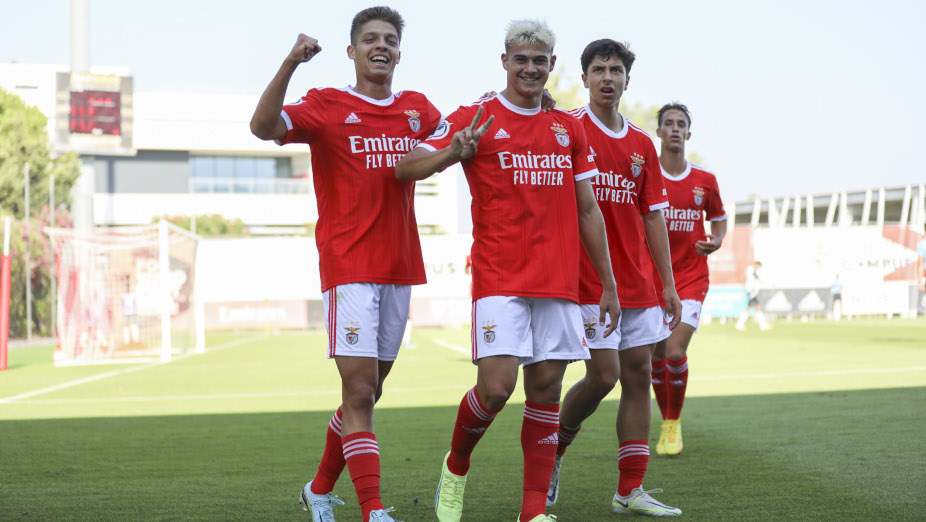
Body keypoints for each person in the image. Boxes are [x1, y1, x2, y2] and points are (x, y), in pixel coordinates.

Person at [396, 19, 619, 522]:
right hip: (500, 278)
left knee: (545, 390)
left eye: (540, 61)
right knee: (496, 388)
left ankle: (532, 511)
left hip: (559, 281)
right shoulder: (477, 115)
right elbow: (405, 166)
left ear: (552, 67)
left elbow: (588, 210)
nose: (531, 69)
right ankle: (455, 469)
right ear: (505, 62)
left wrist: (606, 281)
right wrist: (456, 151)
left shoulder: (569, 128)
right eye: (521, 59)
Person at [249, 7, 442, 522]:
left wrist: (536, 102)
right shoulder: (327, 105)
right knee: (358, 390)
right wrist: (291, 62)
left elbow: (465, 135)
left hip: (400, 267)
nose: (382, 46)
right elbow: (263, 126)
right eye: (371, 39)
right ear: (352, 51)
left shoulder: (419, 110)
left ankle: (317, 489)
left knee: (369, 391)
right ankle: (372, 510)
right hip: (349, 264)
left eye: (391, 40)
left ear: (399, 52)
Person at [546, 39, 683, 517]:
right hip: (584, 281)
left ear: (628, 79)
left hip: (638, 283)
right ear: (583, 79)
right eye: (599, 69)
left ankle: (630, 490)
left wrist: (667, 283)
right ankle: (555, 449)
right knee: (602, 376)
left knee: (639, 376)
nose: (608, 77)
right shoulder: (566, 130)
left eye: (616, 69)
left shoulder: (643, 146)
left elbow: (653, 218)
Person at [648, 102, 727, 457]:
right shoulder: (647, 175)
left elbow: (720, 217)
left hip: (692, 277)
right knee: (656, 356)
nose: (675, 128)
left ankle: (672, 423)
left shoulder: (704, 181)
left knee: (675, 351)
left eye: (682, 124)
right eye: (669, 123)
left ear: (688, 134)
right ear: (659, 132)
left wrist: (717, 240)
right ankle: (666, 419)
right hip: (651, 279)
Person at [735, 261, 769, 331]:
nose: (758, 268)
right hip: (752, 291)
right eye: (758, 266)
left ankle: (763, 325)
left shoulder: (752, 270)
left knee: (757, 307)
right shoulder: (750, 269)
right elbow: (754, 276)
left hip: (754, 291)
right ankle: (739, 324)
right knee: (749, 307)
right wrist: (762, 281)